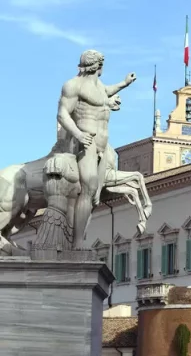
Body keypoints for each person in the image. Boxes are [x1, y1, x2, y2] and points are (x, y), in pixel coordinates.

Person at [56, 50, 136, 247]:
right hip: (86, 142)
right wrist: (78, 134)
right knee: (88, 188)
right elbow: (62, 114)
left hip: (102, 143)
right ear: (98, 66)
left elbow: (106, 92)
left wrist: (124, 84)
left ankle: (78, 237)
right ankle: (76, 243)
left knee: (95, 196)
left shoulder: (98, 86)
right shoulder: (73, 85)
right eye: (101, 63)